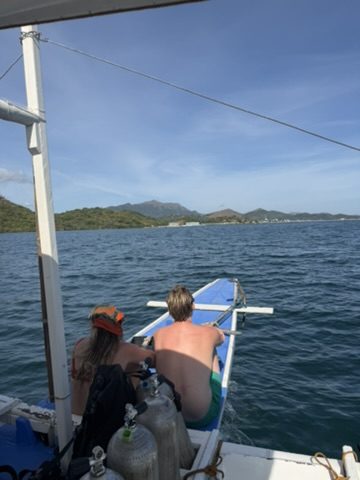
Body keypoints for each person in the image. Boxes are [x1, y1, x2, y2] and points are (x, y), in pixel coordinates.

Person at [153, 285, 225, 428]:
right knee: (212, 351)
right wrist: (210, 329)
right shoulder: (208, 333)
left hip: (171, 415)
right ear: (193, 306)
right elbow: (221, 338)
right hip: (202, 416)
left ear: (170, 310)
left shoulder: (158, 335)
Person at [71, 304, 155, 415]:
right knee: (139, 371)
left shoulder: (79, 345)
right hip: (103, 426)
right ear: (118, 326)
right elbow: (153, 360)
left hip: (75, 419)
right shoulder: (126, 350)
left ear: (92, 324)